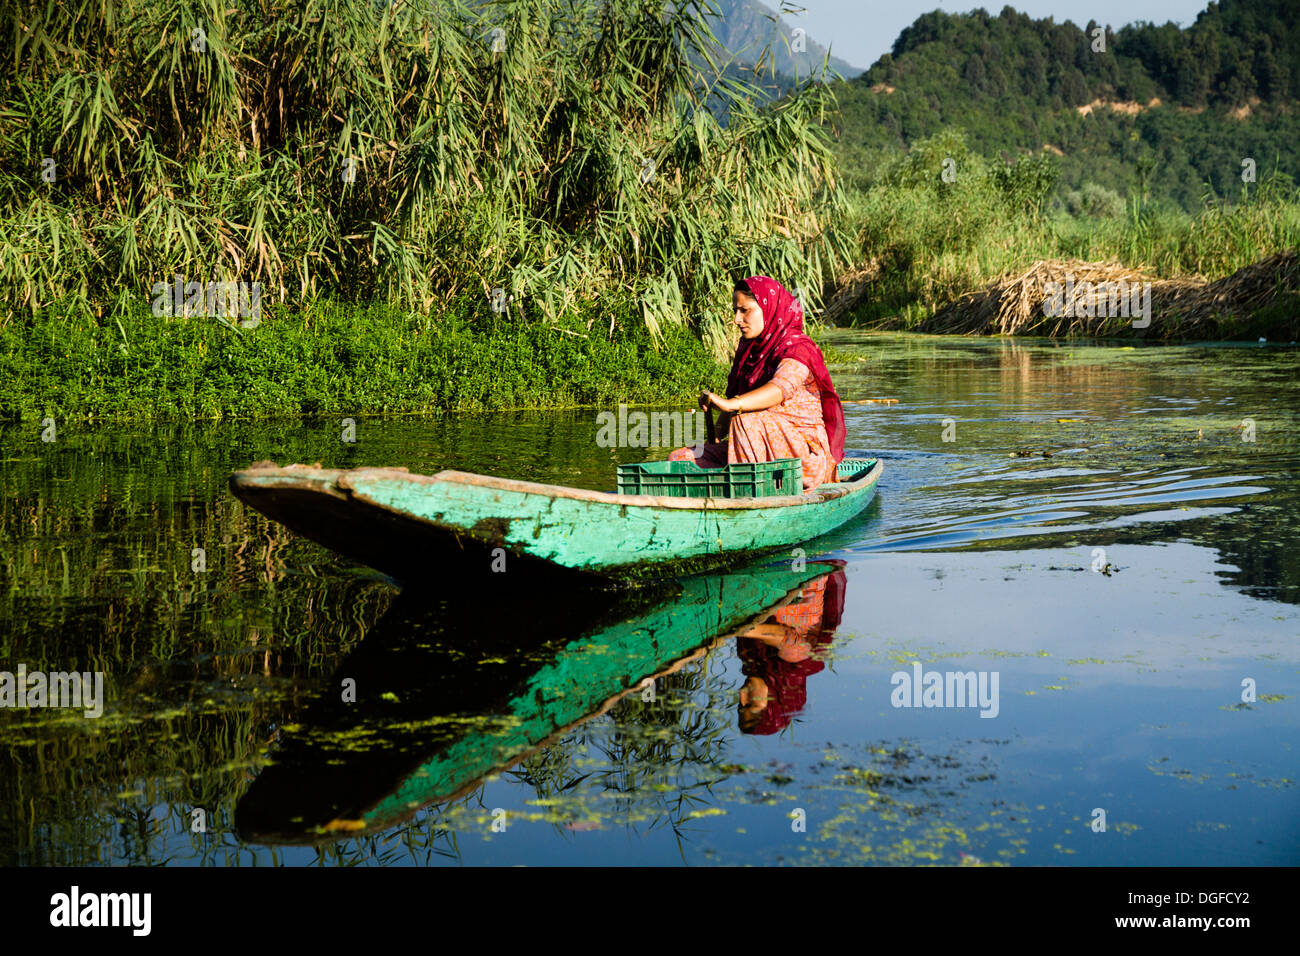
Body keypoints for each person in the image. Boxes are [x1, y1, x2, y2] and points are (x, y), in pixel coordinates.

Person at [670, 276, 846, 492]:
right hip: (753, 448)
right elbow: (734, 413)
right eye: (736, 310)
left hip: (805, 459)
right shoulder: (750, 350)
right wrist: (715, 421)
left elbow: (779, 389)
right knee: (680, 458)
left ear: (768, 308)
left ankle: (747, 494)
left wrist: (730, 404)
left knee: (745, 422)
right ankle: (723, 491)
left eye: (745, 310)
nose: (736, 319)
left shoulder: (798, 349)